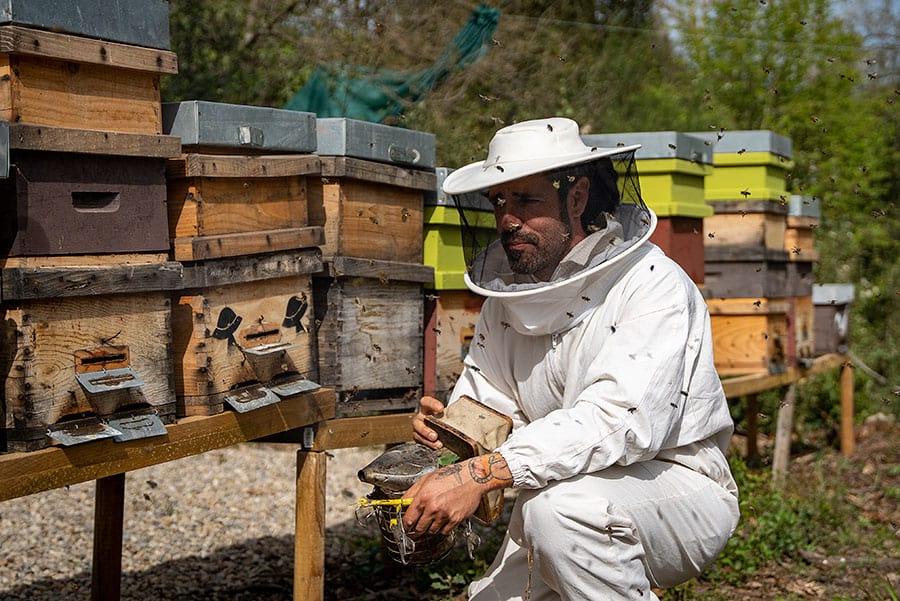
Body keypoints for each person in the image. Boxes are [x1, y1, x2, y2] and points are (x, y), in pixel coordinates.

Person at [402, 117, 739, 601]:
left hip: (675, 487)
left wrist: (478, 475)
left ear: (577, 198)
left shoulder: (650, 285)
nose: (507, 219)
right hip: (561, 491)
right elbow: (493, 409)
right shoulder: (505, 303)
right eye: (499, 201)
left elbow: (618, 422)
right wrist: (452, 435)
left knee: (560, 514)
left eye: (526, 200)